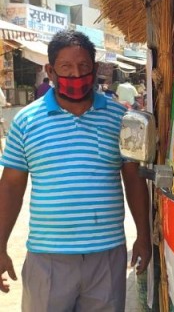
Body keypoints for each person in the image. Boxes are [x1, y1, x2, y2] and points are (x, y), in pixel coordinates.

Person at [0, 30, 150, 309]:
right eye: (66, 67)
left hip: (106, 257)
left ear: (94, 70)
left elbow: (134, 180)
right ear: (50, 71)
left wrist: (144, 235)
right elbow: (10, 187)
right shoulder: (26, 121)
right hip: (47, 259)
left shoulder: (121, 119)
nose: (76, 74)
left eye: (83, 67)